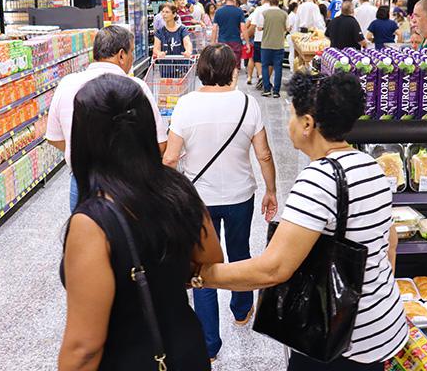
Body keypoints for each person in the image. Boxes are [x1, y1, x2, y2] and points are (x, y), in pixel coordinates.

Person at [196, 72, 407, 370]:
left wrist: (201, 276)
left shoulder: (320, 179)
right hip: (384, 328)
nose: (288, 122)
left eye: (292, 114)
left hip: (339, 343)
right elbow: (391, 243)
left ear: (308, 124)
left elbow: (274, 269)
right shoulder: (370, 166)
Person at [58, 73, 223, 371]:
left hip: (131, 358)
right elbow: (211, 259)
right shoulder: (177, 188)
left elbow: (84, 348)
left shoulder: (93, 222)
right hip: (186, 351)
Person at [163, 44, 278, 361]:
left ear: (201, 70)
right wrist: (271, 190)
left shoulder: (186, 105)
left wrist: (161, 195)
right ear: (233, 70)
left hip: (199, 200)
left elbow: (171, 157)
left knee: (203, 265)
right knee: (240, 252)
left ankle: (209, 345)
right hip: (241, 194)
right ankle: (242, 310)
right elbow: (264, 154)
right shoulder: (247, 104)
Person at [46, 25, 168, 212]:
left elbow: (54, 137)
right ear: (121, 55)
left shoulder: (67, 84)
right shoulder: (135, 87)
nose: (132, 58)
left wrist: (80, 150)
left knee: (85, 236)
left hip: (82, 183)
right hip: (128, 184)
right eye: (132, 52)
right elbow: (159, 144)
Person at [260, 0, 288, 98]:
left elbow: (259, 27)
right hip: (279, 44)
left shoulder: (264, 13)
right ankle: (276, 91)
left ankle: (266, 89)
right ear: (278, 2)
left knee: (265, 66)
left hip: (266, 44)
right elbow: (287, 27)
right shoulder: (284, 14)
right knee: (278, 68)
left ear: (269, 2)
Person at [248, 0, 274, 89]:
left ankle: (261, 76)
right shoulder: (274, 9)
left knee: (258, 59)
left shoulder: (258, 9)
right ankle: (266, 79)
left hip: (259, 38)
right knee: (270, 60)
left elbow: (253, 25)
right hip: (271, 38)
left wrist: (246, 35)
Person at [212, 0, 246, 67]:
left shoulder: (218, 11)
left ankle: (224, 78)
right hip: (236, 41)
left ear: (225, 0)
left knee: (223, 64)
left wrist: (212, 43)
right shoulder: (239, 11)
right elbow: (243, 28)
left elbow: (214, 29)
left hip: (222, 41)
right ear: (234, 0)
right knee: (235, 65)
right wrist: (248, 42)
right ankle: (234, 78)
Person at [286, 2, 299, 70]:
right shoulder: (291, 16)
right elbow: (289, 27)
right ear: (295, 7)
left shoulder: (295, 15)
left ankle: (294, 67)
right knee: (292, 51)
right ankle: (291, 67)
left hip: (295, 35)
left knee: (294, 52)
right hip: (292, 35)